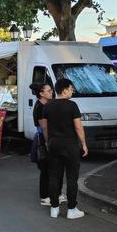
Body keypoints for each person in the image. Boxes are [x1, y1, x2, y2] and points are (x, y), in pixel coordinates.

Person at [40, 78, 88, 219]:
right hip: (70, 144)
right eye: (71, 88)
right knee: (72, 177)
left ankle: (54, 208)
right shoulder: (72, 106)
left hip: (54, 143)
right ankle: (71, 209)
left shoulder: (47, 106)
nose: (72, 91)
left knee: (54, 176)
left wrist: (48, 141)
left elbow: (45, 127)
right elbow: (78, 127)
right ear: (65, 89)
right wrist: (84, 143)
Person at [31, 82, 54, 205]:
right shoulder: (40, 107)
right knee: (45, 169)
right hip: (42, 139)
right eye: (49, 91)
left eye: (51, 90)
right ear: (41, 93)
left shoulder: (46, 104)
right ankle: (44, 196)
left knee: (49, 168)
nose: (51, 92)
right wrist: (48, 142)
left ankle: (51, 194)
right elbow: (44, 127)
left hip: (45, 137)